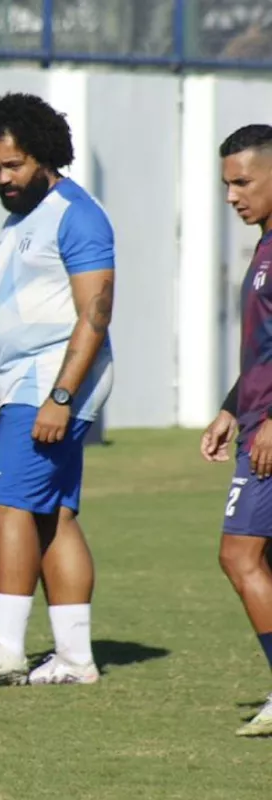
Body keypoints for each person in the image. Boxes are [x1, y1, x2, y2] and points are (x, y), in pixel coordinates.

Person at [0, 92, 115, 687]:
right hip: (23, 378)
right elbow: (22, 314)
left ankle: (6, 648)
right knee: (54, 517)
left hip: (53, 382)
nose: (4, 177)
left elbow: (95, 313)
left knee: (9, 500)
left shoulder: (78, 214)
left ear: (44, 156)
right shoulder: (18, 222)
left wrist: (62, 397)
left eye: (14, 165)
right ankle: (74, 659)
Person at [199, 123, 272, 737]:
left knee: (238, 554)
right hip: (253, 421)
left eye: (243, 181)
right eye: (226, 184)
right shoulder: (264, 246)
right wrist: (231, 406)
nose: (231, 196)